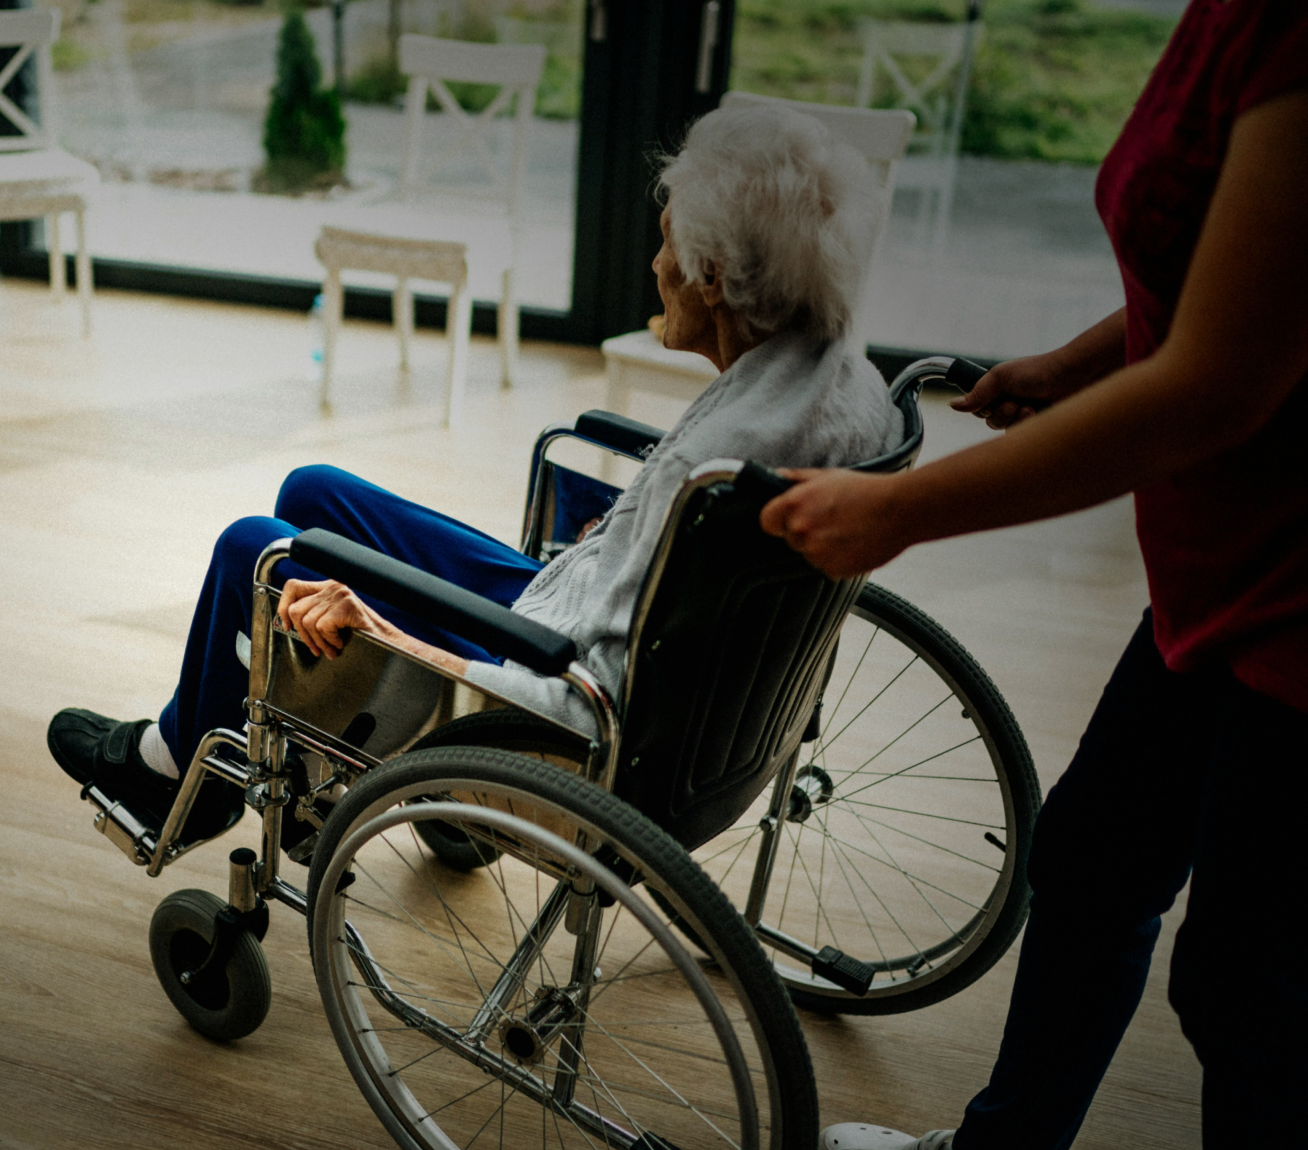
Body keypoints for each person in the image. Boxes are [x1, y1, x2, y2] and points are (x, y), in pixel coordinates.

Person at [46, 101, 905, 843]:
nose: (655, 265)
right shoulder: (838, 386)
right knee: (314, 493)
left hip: (548, 698)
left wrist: (382, 628)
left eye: (666, 243)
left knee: (256, 549)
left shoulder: (711, 472)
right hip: (581, 626)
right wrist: (620, 536)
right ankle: (285, 758)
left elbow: (573, 706)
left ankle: (169, 773)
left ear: (714, 275)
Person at [759, 4, 1308, 1149]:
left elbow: (1220, 381)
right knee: (1097, 864)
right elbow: (1228, 261)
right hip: (1216, 571)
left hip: (1295, 604)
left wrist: (902, 510)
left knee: (1249, 994)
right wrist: (1081, 360)